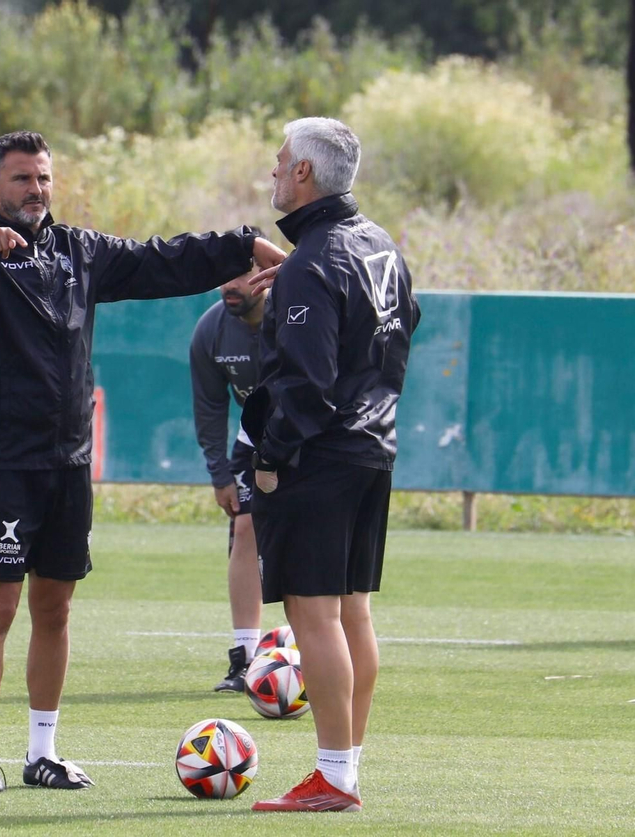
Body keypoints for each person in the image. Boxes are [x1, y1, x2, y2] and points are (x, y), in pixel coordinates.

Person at [0, 130, 287, 793]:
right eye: (22, 178)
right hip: (2, 463)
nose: (35, 189)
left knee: (55, 610)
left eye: (43, 178)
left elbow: (164, 259)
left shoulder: (81, 252)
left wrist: (247, 244)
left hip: (68, 462)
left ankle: (43, 752)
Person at [242, 117, 417, 813]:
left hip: (320, 457)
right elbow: (406, 325)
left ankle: (335, 777)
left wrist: (270, 460)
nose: (274, 172)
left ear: (305, 174)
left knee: (315, 615)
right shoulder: (378, 243)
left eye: (280, 162)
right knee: (353, 614)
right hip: (374, 447)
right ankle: (346, 764)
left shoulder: (312, 262)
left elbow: (306, 384)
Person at [189, 268, 267, 693]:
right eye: (223, 277)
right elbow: (209, 406)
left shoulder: (294, 314)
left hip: (313, 436)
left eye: (241, 276)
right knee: (244, 525)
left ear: (266, 275)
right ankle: (245, 659)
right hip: (255, 437)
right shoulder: (211, 328)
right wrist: (219, 472)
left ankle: (318, 650)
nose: (228, 286)